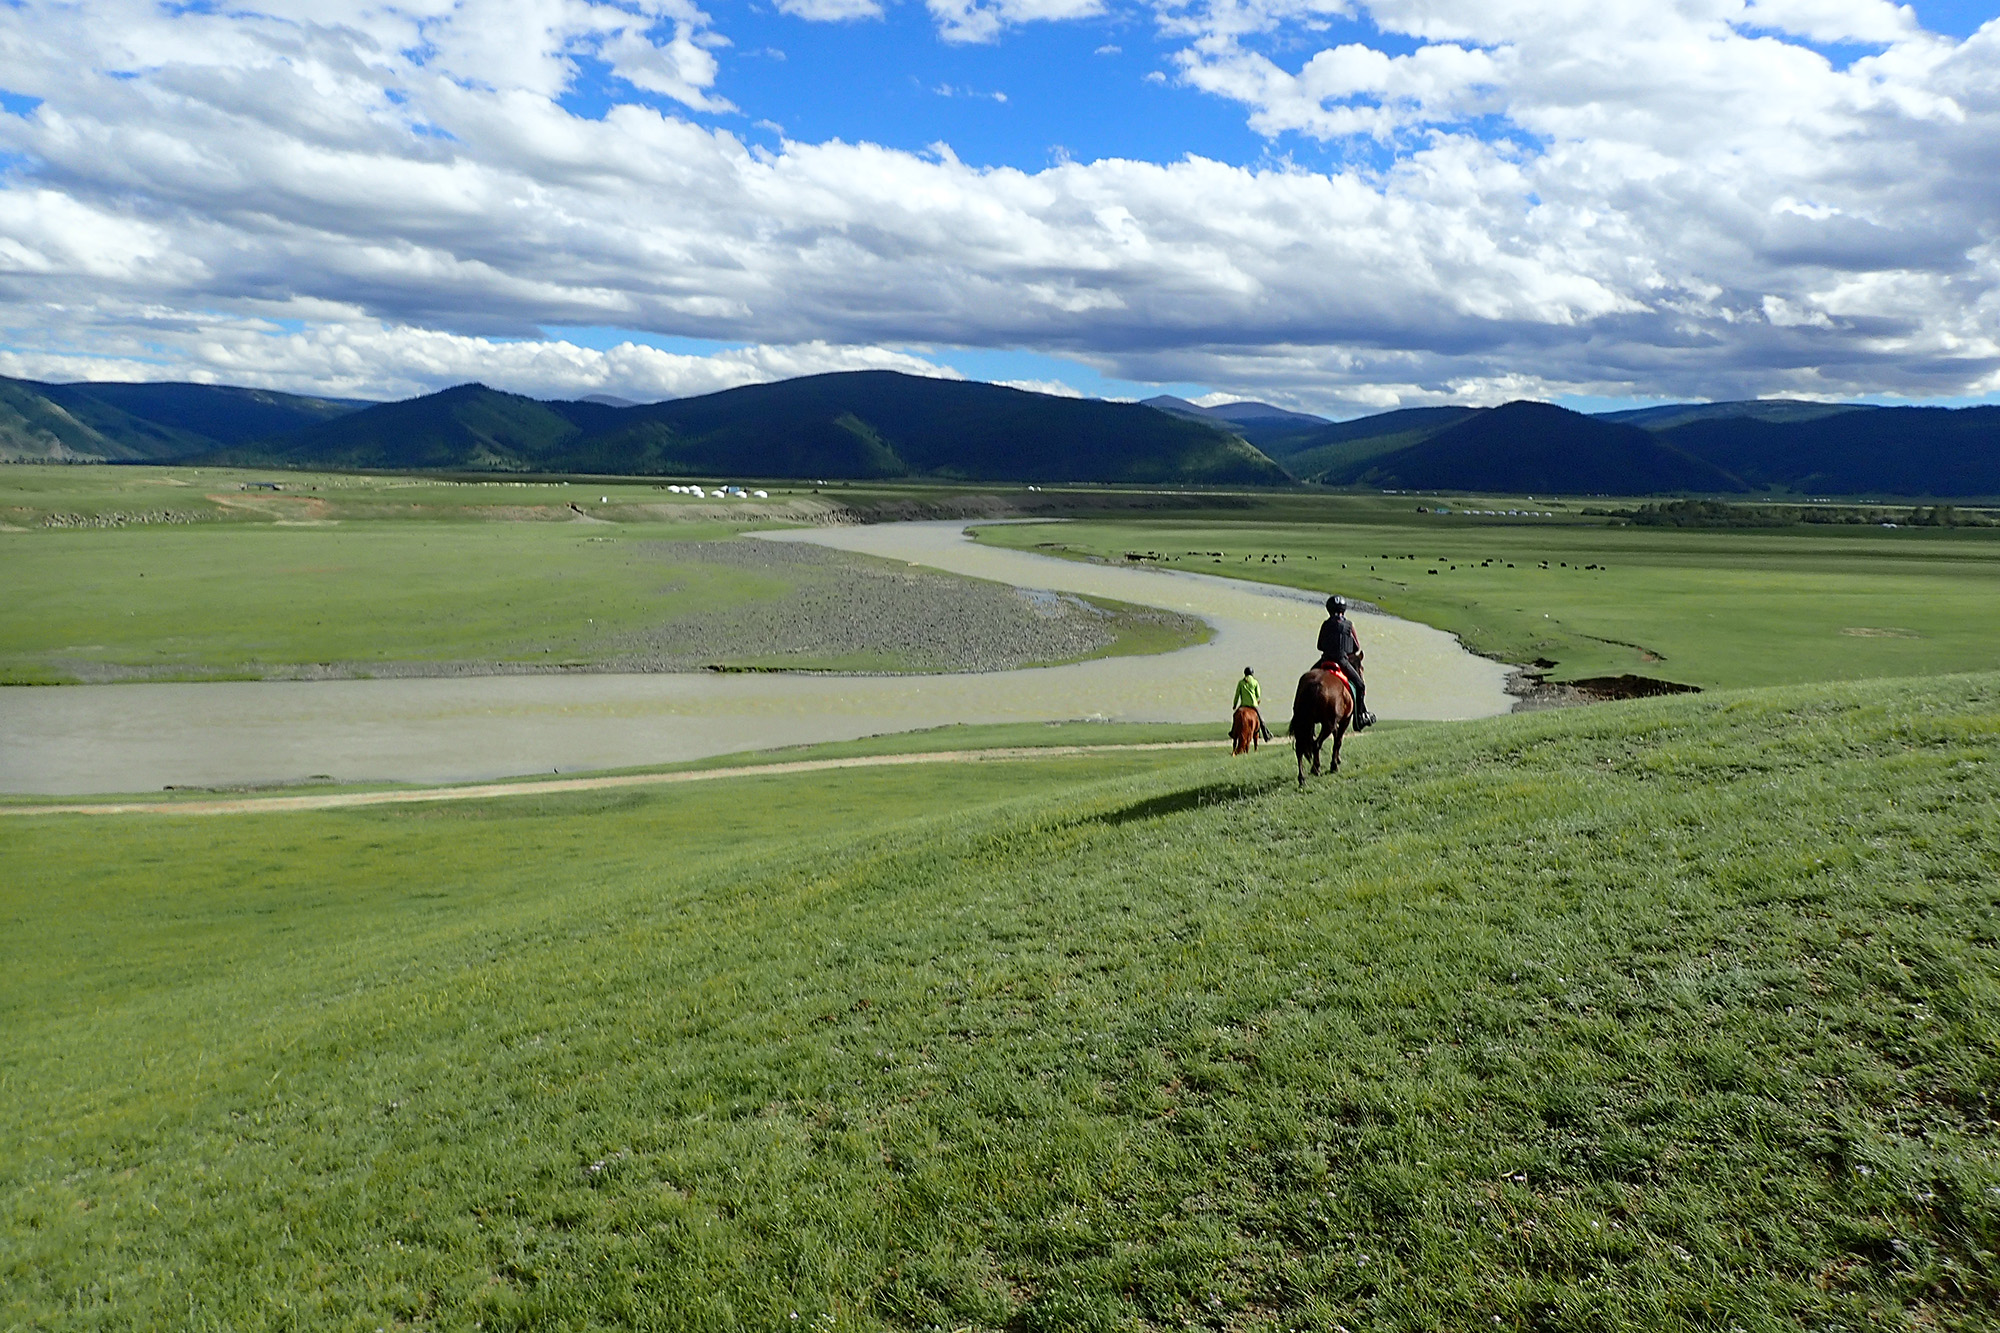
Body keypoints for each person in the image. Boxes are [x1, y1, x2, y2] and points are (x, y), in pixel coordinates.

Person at [1316, 596, 1375, 729]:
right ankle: (1360, 718)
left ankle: (1299, 713)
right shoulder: (1349, 625)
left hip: (1325, 660)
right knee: (1360, 686)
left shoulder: (1325, 624)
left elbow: (1319, 645)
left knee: (1307, 678)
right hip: (1342, 661)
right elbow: (1356, 646)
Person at [1233, 666, 1270, 740]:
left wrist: (1235, 704)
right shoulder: (1255, 682)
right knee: (1261, 719)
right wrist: (1256, 699)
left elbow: (1237, 695)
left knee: (1235, 716)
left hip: (1243, 704)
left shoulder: (1241, 682)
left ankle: (1233, 732)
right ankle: (1266, 734)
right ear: (1252, 673)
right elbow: (1258, 694)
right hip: (1253, 705)